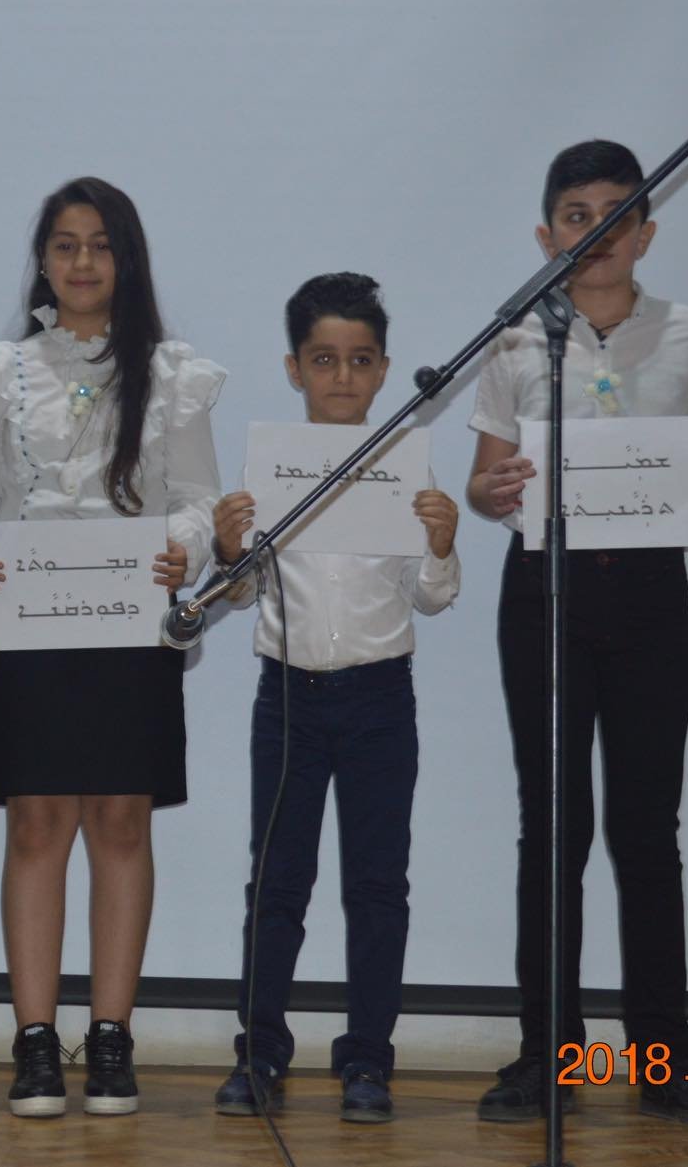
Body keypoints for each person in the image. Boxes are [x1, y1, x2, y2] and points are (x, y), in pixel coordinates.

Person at [463, 140, 688, 1127]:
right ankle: (550, 1053)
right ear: (547, 235)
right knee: (552, 827)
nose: (597, 232)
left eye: (616, 214)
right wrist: (493, 489)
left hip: (650, 595)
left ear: (645, 233)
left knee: (646, 828)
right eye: (576, 215)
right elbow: (484, 480)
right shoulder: (512, 340)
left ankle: (664, 1058)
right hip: (544, 593)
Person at [0, 177, 224, 1117]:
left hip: (132, 629)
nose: (82, 261)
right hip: (32, 630)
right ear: (44, 260)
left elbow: (198, 501)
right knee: (35, 825)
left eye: (100, 244)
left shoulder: (173, 375)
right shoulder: (0, 371)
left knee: (121, 824)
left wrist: (183, 544)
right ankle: (34, 1041)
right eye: (65, 244)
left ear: (126, 259)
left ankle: (110, 1036)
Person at [205, 274, 459, 1124]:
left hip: (381, 696)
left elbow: (431, 597)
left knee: (378, 885)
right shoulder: (272, 467)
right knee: (278, 881)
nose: (342, 377)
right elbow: (243, 593)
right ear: (294, 369)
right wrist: (228, 549)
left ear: (383, 368)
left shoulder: (406, 467)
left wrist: (441, 543)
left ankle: (368, 1060)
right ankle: (260, 1052)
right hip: (289, 697)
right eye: (323, 360)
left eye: (359, 360)